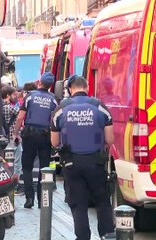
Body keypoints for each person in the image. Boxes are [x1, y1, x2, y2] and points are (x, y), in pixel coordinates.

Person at [50, 75, 115, 239]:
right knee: (102, 202)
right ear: (87, 88)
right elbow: (110, 140)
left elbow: (54, 141)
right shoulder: (100, 107)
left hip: (71, 164)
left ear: (70, 89)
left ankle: (82, 237)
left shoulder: (60, 109)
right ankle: (107, 234)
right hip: (96, 163)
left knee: (78, 205)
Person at [13, 72, 58, 208]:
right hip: (45, 136)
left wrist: (15, 133)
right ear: (50, 86)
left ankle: (29, 198)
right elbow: (55, 120)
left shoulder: (30, 97)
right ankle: (42, 199)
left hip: (29, 135)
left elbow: (20, 117)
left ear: (40, 82)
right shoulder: (54, 99)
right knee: (44, 168)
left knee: (27, 166)